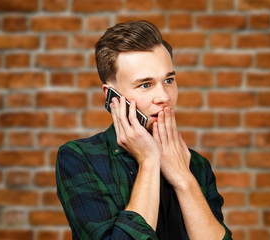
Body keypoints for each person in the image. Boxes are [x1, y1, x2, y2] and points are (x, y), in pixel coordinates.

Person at [56, 20, 232, 240]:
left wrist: (184, 180)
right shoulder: (80, 158)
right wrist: (149, 161)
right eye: (146, 84)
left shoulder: (196, 164)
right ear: (112, 96)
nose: (165, 97)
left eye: (169, 80)